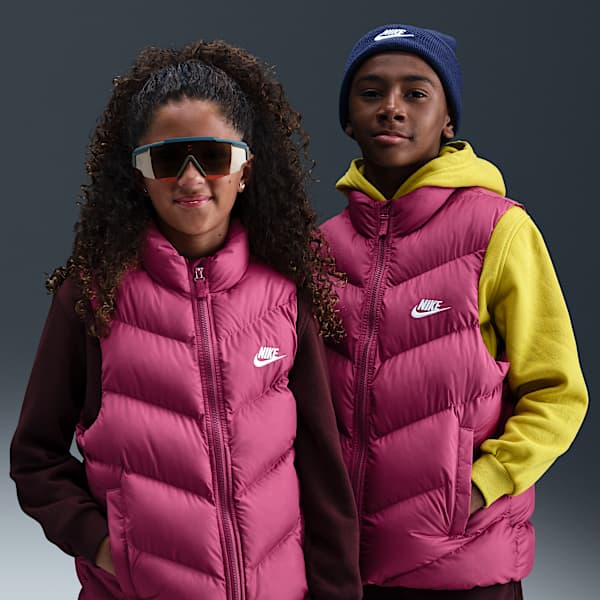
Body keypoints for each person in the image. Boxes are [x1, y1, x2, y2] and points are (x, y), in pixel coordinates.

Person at [10, 40, 362, 600]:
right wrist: (105, 548)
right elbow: (35, 458)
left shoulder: (283, 296)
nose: (192, 178)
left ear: (245, 170)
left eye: (214, 156)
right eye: (167, 159)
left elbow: (324, 477)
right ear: (139, 175)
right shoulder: (93, 297)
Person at [320, 23, 588, 599]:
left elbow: (557, 393)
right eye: (371, 92)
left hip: (464, 569)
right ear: (348, 119)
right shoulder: (321, 249)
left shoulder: (499, 230)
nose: (392, 108)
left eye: (416, 93)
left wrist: (481, 486)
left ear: (448, 120)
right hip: (346, 571)